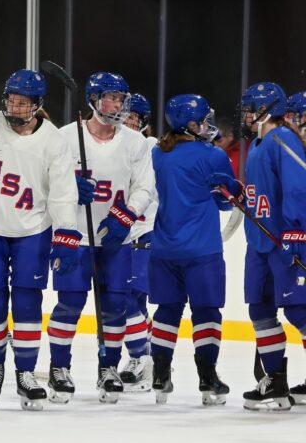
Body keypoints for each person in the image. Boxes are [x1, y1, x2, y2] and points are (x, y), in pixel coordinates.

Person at [0, 69, 80, 410]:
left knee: (27, 303)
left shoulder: (54, 141)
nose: (16, 107)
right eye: (12, 100)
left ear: (37, 105)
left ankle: (24, 372)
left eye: (23, 102)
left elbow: (64, 192)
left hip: (32, 231)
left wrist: (66, 230)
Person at [47, 72, 154, 404]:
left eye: (121, 99)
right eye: (110, 97)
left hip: (115, 241)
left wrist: (125, 216)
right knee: (69, 305)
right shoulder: (65, 138)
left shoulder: (135, 142)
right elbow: (43, 183)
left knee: (115, 308)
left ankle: (108, 367)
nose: (117, 105)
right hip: (75, 237)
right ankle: (58, 368)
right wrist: (66, 190)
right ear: (93, 100)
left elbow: (144, 187)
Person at [149, 93, 236, 406]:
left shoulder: (159, 152)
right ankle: (207, 377)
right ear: (191, 123)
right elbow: (227, 201)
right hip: (202, 249)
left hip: (164, 248)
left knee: (167, 311)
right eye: (203, 120)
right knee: (207, 312)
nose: (207, 124)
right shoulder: (212, 155)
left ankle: (160, 374)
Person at [238, 83, 306, 410]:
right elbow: (259, 192)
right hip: (258, 243)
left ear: (268, 108)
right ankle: (276, 382)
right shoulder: (257, 143)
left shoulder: (283, 138)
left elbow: (297, 188)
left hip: (284, 242)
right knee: (260, 309)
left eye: (252, 107)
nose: (247, 114)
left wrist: (296, 233)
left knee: (299, 310)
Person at [118, 93, 158, 391]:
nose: (130, 121)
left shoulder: (152, 147)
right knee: (123, 298)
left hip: (145, 232)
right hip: (118, 234)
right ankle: (142, 353)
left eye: (135, 117)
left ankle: (141, 357)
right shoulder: (114, 143)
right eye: (126, 116)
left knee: (131, 297)